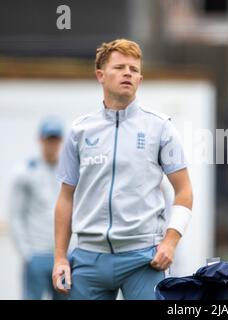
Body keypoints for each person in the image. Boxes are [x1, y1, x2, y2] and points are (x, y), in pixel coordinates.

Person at [51, 39, 193, 300]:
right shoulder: (79, 131)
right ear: (100, 76)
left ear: (140, 79)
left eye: (134, 69)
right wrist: (60, 257)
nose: (128, 73)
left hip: (143, 260)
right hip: (88, 260)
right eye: (119, 67)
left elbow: (184, 191)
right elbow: (65, 197)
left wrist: (170, 242)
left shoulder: (161, 128)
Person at [9, 116, 65, 300]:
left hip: (63, 255)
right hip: (37, 253)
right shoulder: (26, 171)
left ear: (60, 140)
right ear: (41, 139)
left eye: (55, 139)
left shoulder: (69, 170)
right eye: (49, 139)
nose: (52, 144)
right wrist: (27, 253)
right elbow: (16, 215)